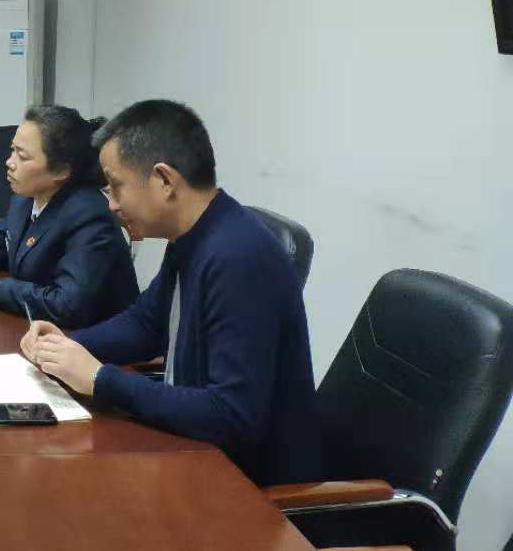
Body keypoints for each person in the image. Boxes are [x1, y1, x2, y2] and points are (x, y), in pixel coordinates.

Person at [20, 100, 321, 485]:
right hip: (194, 452)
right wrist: (66, 347)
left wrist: (99, 379)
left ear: (164, 180)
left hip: (248, 488)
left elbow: (233, 415)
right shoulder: (193, 237)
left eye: (116, 186)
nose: (111, 203)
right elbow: (146, 323)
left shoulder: (239, 257)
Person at [0, 105, 137, 328]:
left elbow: (68, 304)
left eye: (22, 156)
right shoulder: (25, 197)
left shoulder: (89, 216)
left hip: (94, 340)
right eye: (12, 150)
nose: (9, 162)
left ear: (61, 171)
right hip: (40, 329)